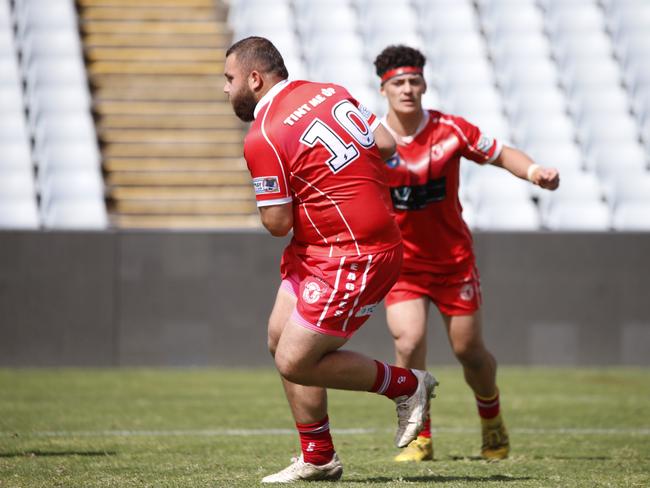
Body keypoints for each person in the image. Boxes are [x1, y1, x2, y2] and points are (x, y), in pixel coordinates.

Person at [223, 36, 438, 483]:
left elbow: (277, 222)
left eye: (229, 79)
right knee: (278, 338)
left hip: (350, 252)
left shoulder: (262, 134)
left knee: (294, 360)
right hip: (324, 247)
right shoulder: (330, 91)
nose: (226, 89)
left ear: (255, 78)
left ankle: (408, 385)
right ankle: (318, 456)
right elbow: (383, 143)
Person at [373, 45, 560, 462]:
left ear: (424, 84)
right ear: (383, 89)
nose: (407, 89)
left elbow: (501, 153)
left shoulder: (449, 130)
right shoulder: (371, 138)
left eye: (414, 81)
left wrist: (533, 172)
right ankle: (420, 434)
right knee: (408, 341)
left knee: (468, 352)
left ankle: (491, 417)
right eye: (398, 83)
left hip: (452, 261)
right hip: (402, 264)